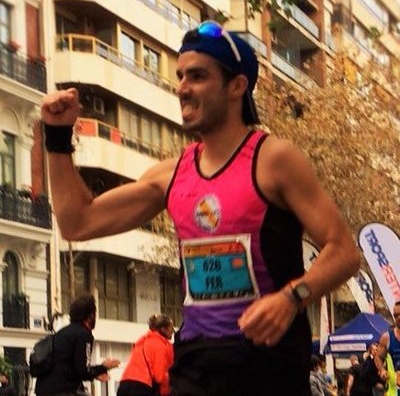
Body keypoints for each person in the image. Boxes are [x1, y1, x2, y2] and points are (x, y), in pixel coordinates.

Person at [40, 20, 360, 396]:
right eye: (180, 77)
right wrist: (57, 136)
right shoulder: (172, 174)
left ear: (236, 86)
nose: (182, 88)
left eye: (197, 76)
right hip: (196, 364)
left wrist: (293, 298)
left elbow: (344, 252)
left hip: (267, 364)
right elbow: (78, 223)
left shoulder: (274, 160)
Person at [35, 293, 120, 396]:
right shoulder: (84, 335)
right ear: (91, 315)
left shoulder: (62, 333)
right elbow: (83, 371)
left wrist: (94, 374)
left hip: (43, 390)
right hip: (61, 391)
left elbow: (71, 368)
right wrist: (104, 367)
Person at [117, 314, 174, 396]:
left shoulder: (141, 342)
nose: (173, 331)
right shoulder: (160, 345)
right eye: (171, 328)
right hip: (141, 386)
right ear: (163, 329)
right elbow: (159, 377)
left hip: (124, 384)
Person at [376, 303, 400, 396]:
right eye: (396, 315)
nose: (398, 318)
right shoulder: (387, 337)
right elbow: (378, 357)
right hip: (394, 391)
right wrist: (382, 370)